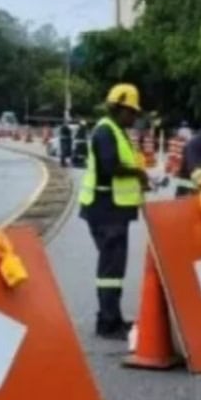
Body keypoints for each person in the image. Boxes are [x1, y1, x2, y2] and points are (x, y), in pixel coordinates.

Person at [79, 83, 150, 340]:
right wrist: (138, 173)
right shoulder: (105, 131)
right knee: (111, 270)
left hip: (114, 210)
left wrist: (139, 177)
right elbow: (110, 166)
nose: (134, 117)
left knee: (115, 269)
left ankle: (113, 318)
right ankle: (108, 323)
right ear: (119, 108)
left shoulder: (116, 131)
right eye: (131, 112)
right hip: (106, 209)